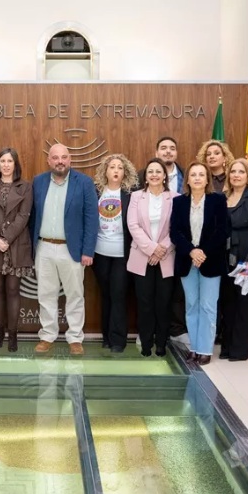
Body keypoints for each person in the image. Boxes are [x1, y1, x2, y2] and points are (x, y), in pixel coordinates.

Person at [32, 144, 99, 355]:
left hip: (72, 250)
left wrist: (88, 250)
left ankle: (75, 338)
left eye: (64, 157)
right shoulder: (38, 181)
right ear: (49, 161)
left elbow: (92, 219)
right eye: (55, 157)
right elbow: (32, 216)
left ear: (70, 159)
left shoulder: (84, 183)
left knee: (75, 295)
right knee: (46, 294)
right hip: (44, 247)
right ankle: (47, 336)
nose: (60, 161)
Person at [170, 163, 229, 365]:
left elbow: (222, 231)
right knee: (192, 305)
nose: (197, 178)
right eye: (193, 175)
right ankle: (194, 348)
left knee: (208, 306)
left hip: (210, 261)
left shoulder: (217, 200)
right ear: (187, 179)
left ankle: (205, 349)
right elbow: (175, 232)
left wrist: (202, 252)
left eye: (201, 175)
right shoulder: (179, 202)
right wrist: (192, 251)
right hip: (187, 260)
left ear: (207, 179)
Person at [0, 148, 33, 352]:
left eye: (9, 161)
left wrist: (7, 238)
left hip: (16, 244)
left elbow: (24, 215)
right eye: (2, 161)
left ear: (15, 164)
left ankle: (13, 335)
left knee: (12, 289)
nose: (6, 164)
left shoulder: (25, 187)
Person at [127, 158, 177, 357]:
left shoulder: (175, 197)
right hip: (142, 257)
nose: (154, 175)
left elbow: (177, 227)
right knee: (145, 303)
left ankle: (162, 344)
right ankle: (146, 344)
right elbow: (133, 226)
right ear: (145, 177)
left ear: (164, 176)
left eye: (158, 171)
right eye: (150, 172)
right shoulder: (136, 197)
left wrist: (161, 249)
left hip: (166, 257)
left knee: (163, 303)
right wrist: (152, 249)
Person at [220, 159, 248, 361]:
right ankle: (227, 347)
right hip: (225, 256)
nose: (236, 175)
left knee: (244, 303)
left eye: (241, 172)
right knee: (227, 302)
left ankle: (240, 350)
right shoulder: (222, 197)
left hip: (246, 257)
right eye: (233, 172)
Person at [92, 153, 136, 353]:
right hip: (99, 253)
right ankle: (106, 337)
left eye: (120, 167)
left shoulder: (131, 194)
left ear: (125, 172)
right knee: (106, 295)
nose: (116, 170)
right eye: (112, 167)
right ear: (105, 171)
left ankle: (118, 340)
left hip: (122, 254)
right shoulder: (96, 192)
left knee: (118, 295)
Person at [156, 136, 188, 348]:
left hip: (180, 242)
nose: (168, 151)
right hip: (153, 246)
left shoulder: (187, 176)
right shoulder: (144, 175)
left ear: (176, 153)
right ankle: (152, 330)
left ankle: (177, 330)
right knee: (154, 289)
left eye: (172, 148)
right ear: (157, 152)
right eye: (163, 148)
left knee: (178, 289)